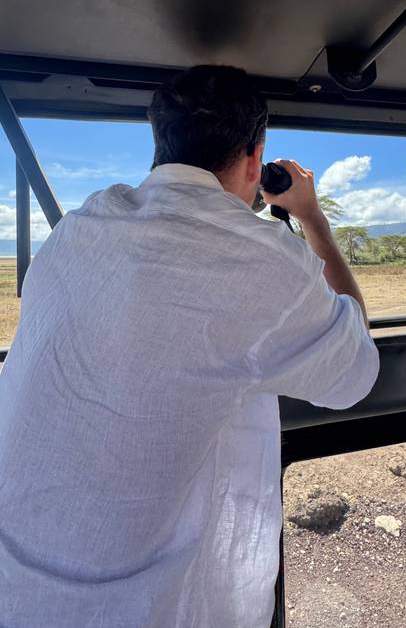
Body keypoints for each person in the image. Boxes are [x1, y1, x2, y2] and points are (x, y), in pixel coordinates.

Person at [0, 65, 379, 628]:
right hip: (148, 607)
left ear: (159, 142)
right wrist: (312, 218)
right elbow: (355, 370)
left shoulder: (79, 228)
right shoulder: (264, 257)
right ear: (257, 159)